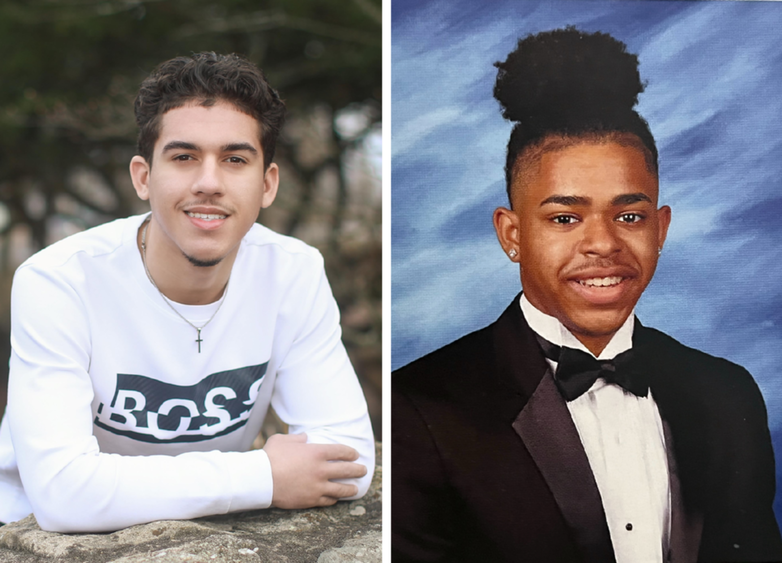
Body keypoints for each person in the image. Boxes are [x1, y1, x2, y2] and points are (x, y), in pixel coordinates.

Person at [392, 28, 782, 563]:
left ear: (661, 229)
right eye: (565, 217)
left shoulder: (726, 393)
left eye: (629, 216)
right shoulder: (417, 409)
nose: (602, 243)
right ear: (512, 235)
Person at [0, 52, 374, 533]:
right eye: (183, 157)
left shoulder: (293, 273)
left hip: (209, 528)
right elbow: (63, 495)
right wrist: (263, 474)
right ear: (143, 177)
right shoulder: (59, 282)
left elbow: (351, 460)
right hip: (24, 532)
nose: (209, 183)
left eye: (235, 159)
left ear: (267, 184)